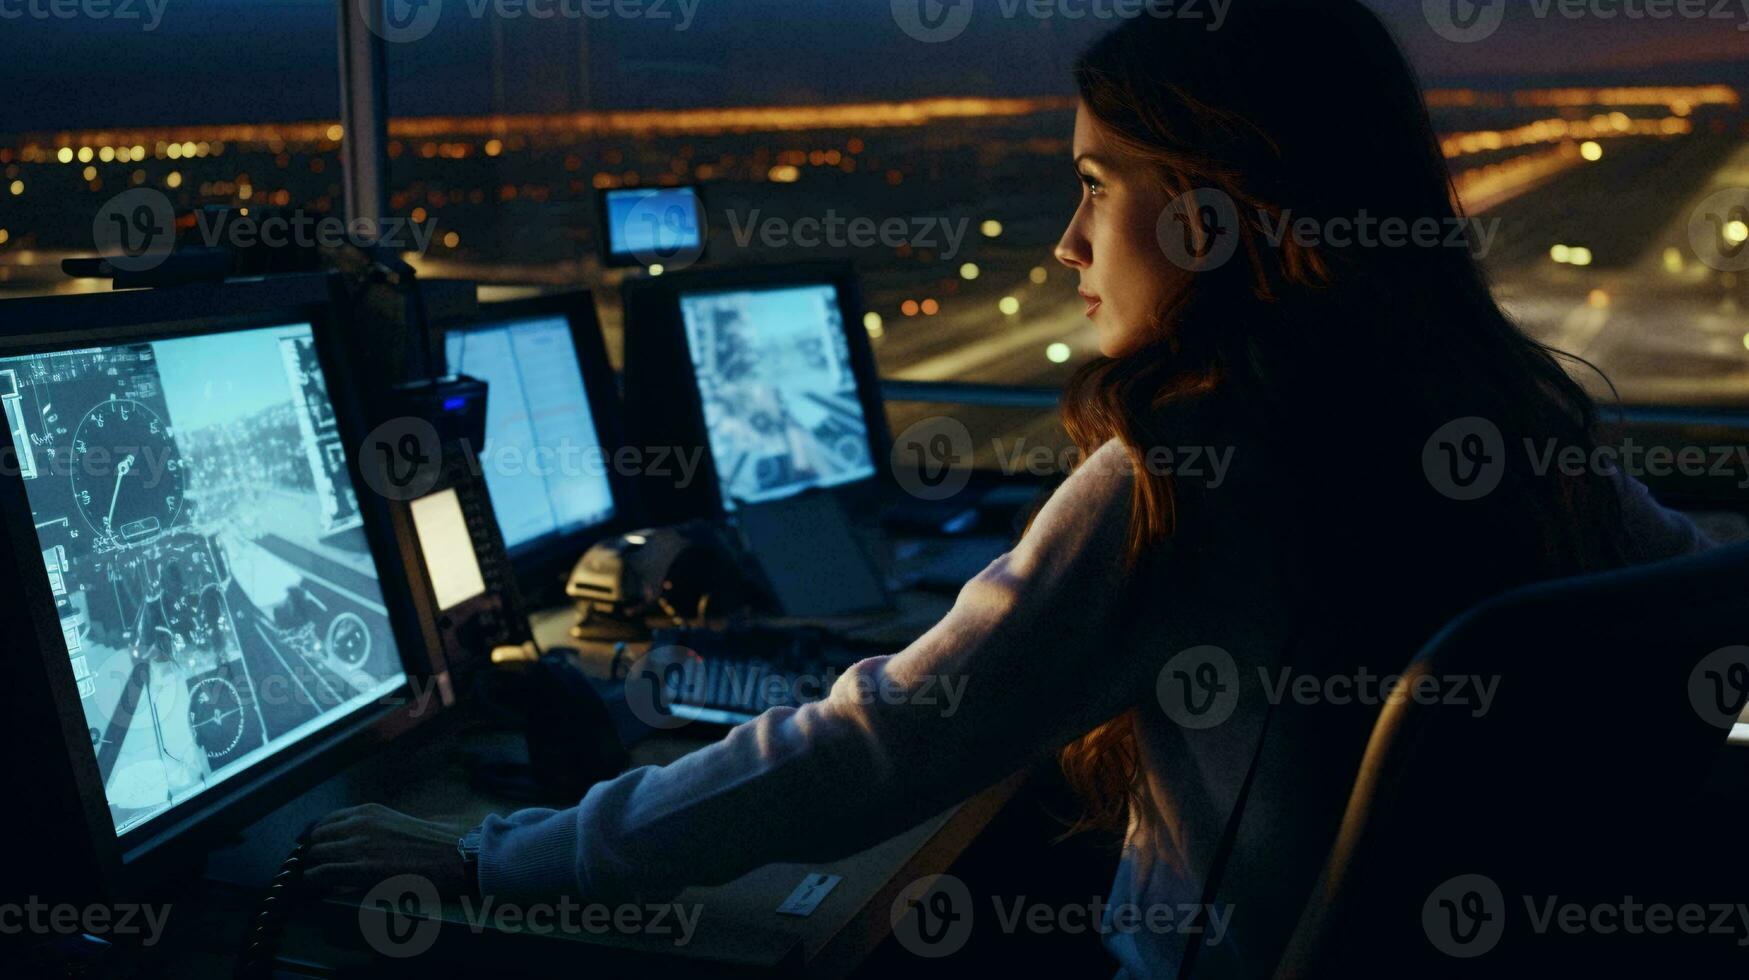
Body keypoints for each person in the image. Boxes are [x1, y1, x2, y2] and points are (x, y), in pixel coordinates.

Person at [303, 2, 1715, 975]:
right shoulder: (1515, 427)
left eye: (1097, 185)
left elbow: (877, 754)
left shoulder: (1187, 478)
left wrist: (497, 861)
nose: (1064, 243)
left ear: (1217, 210)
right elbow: (1687, 596)